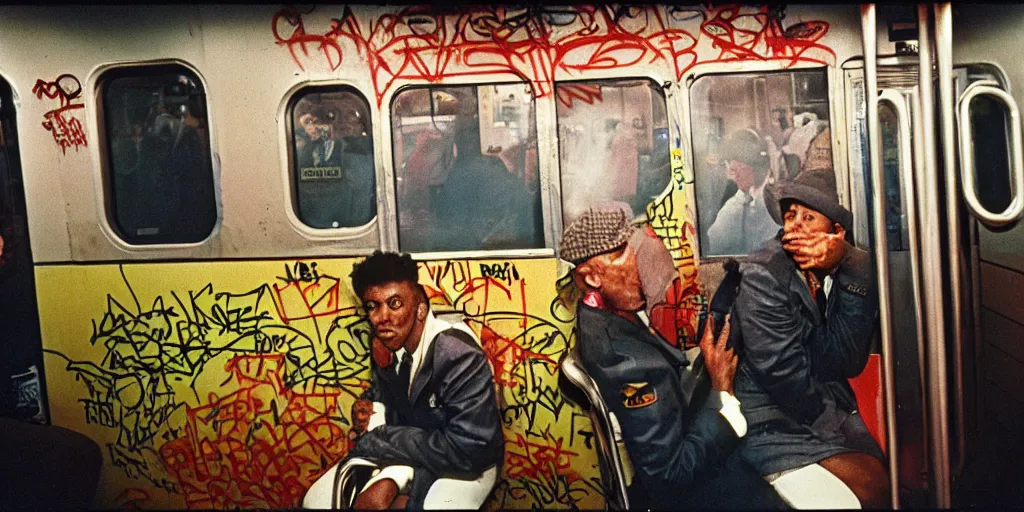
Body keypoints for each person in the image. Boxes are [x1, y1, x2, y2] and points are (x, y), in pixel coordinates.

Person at [560, 204, 786, 510]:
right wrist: (722, 392)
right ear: (593, 278)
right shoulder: (627, 364)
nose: (642, 264)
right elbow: (671, 477)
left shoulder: (608, 315)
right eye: (628, 254)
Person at [730, 169, 890, 508]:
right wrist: (836, 428)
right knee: (873, 484)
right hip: (770, 422)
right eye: (790, 216)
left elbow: (845, 357)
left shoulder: (819, 273)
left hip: (810, 410)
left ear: (836, 233)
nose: (795, 225)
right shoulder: (764, 276)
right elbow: (784, 377)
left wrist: (850, 261)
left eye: (808, 217)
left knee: (884, 476)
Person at [302, 251, 504, 510]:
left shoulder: (455, 353)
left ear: (420, 309)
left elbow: (470, 449)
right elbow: (392, 400)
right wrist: (371, 409)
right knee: (317, 501)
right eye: (372, 306)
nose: (381, 317)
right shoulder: (386, 344)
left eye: (394, 304)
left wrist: (384, 440)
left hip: (466, 464)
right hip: (416, 450)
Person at [706, 129, 781, 256]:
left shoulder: (771, 203)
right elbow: (714, 245)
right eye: (730, 166)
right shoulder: (734, 204)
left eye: (735, 167)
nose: (731, 173)